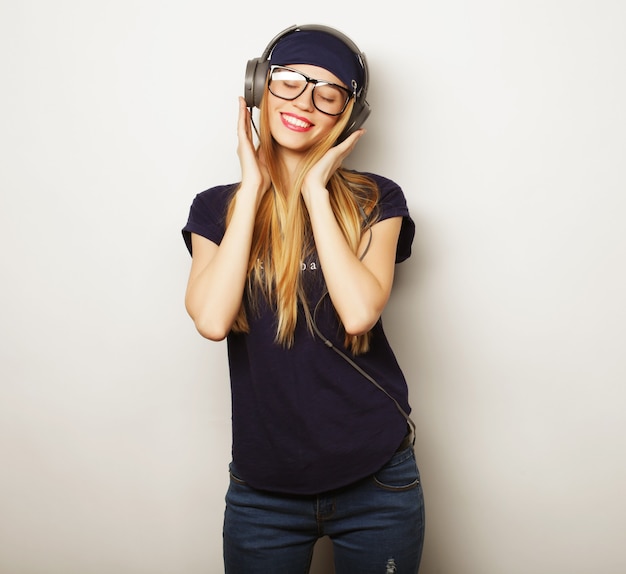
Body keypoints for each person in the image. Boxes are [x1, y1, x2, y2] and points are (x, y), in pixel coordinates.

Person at [182, 24, 425, 573]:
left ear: (348, 116)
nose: (305, 102)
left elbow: (360, 312)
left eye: (328, 92)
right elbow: (213, 319)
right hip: (263, 489)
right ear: (258, 89)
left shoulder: (376, 199)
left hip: (377, 480)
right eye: (289, 81)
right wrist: (253, 188)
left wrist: (315, 189)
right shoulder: (215, 208)